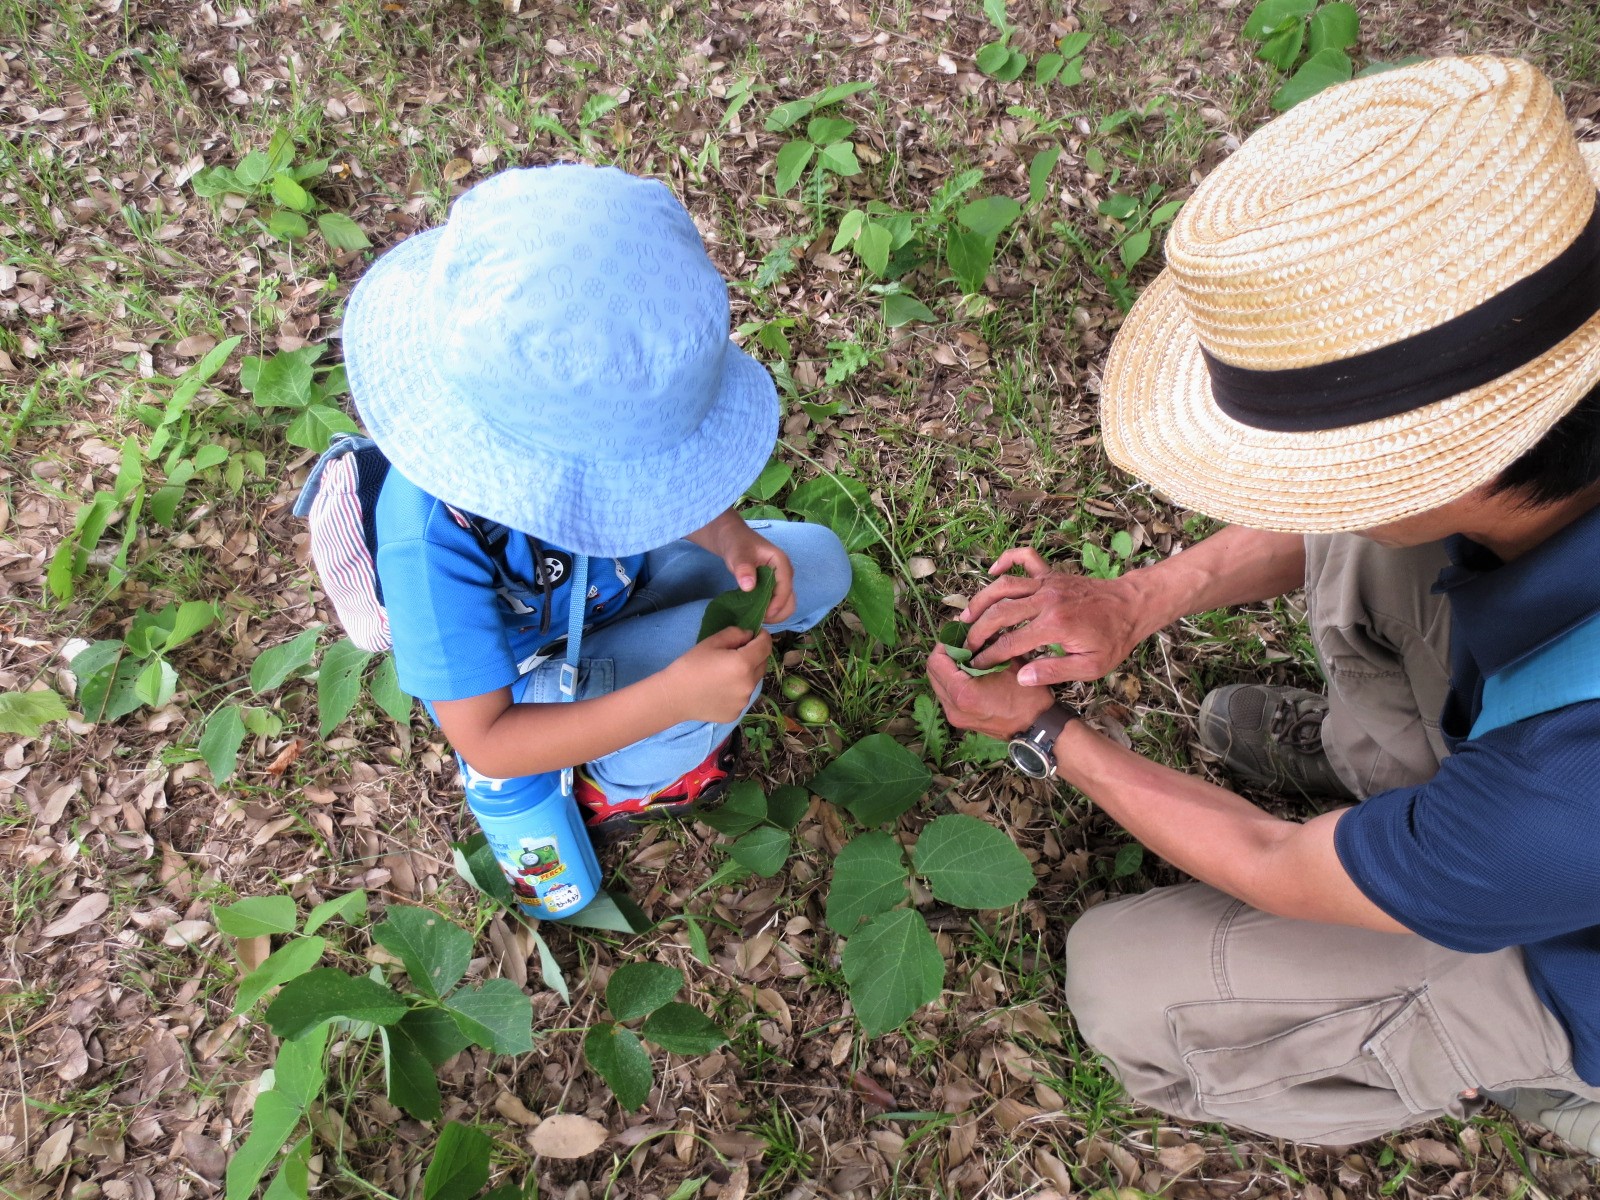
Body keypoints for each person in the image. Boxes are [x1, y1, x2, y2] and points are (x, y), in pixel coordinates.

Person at [928, 56, 1600, 1150]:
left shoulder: (1566, 800)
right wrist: (1137, 598)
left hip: (1570, 916)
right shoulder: (1565, 340)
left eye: (1323, 469)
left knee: (1123, 981)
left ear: (1447, 468)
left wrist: (1049, 734)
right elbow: (1380, 500)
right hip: (1543, 777)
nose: (1292, 496)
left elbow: (1274, 866)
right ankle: (1407, 809)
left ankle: (1552, 1073)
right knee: (1372, 556)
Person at [339, 164, 851, 838]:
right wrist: (672, 698)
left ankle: (660, 673)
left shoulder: (610, 387)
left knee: (818, 566)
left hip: (614, 583)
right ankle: (615, 786)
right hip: (537, 675)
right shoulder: (429, 538)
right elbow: (487, 741)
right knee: (710, 700)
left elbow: (662, 487)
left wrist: (727, 534)